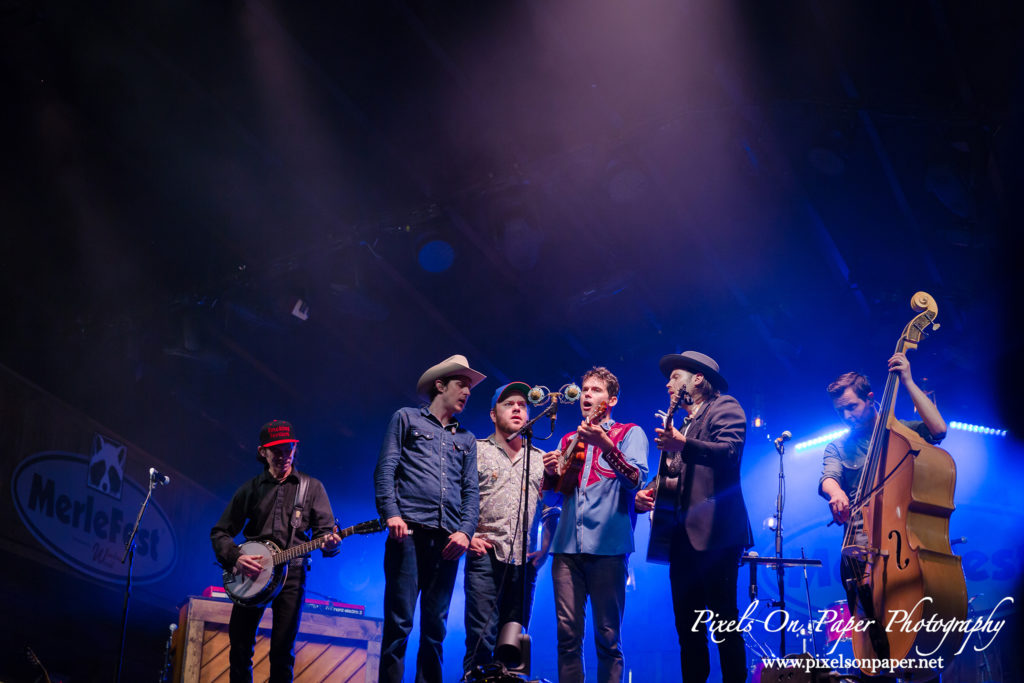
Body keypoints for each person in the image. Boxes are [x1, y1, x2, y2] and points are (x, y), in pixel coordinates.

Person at [635, 351, 752, 683]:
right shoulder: (683, 422)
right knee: (688, 630)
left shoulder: (725, 406)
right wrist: (650, 490)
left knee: (724, 624)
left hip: (716, 534)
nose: (668, 382)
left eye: (675, 376)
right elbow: (674, 471)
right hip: (680, 538)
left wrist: (682, 443)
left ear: (698, 378)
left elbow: (729, 453)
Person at [374, 354, 484, 683]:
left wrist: (465, 532)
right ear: (440, 385)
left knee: (435, 629)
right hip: (406, 536)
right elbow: (386, 470)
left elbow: (471, 492)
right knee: (399, 625)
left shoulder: (466, 440)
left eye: (469, 387)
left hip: (448, 543)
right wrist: (391, 513)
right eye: (461, 384)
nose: (467, 391)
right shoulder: (406, 419)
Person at [210, 420, 341, 683]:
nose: (283, 456)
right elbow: (220, 532)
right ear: (263, 452)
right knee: (240, 649)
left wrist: (331, 543)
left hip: (292, 575)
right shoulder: (251, 489)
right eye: (276, 450)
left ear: (295, 448)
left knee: (282, 653)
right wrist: (237, 557)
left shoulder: (312, 487)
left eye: (288, 448)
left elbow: (325, 533)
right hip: (252, 573)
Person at [543, 366, 648, 683]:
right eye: (584, 389)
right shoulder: (567, 439)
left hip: (609, 547)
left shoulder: (629, 433)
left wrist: (605, 445)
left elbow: (635, 480)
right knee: (566, 634)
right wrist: (550, 475)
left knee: (608, 636)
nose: (587, 394)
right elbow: (554, 500)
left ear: (612, 399)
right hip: (565, 548)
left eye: (595, 390)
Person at [463, 381, 560, 675]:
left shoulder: (542, 459)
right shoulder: (476, 451)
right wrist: (466, 536)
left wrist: (545, 550)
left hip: (523, 563)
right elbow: (455, 498)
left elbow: (553, 510)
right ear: (493, 415)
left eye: (522, 405)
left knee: (513, 648)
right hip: (485, 556)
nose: (517, 408)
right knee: (481, 640)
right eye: (509, 404)